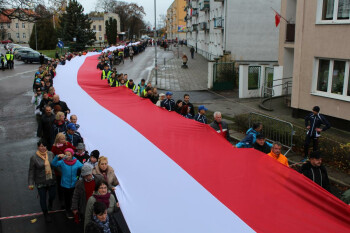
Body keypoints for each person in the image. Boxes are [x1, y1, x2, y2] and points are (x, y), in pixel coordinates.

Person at [28, 140, 56, 222]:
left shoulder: (51, 154)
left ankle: (50, 203)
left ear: (46, 147)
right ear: (38, 147)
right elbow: (31, 171)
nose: (42, 148)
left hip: (51, 179)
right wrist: (30, 183)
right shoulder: (34, 158)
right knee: (42, 199)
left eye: (44, 146)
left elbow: (55, 165)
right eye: (41, 146)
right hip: (41, 181)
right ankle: (45, 213)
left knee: (52, 195)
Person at [51, 148, 83, 219]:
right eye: (66, 155)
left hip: (74, 184)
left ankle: (75, 210)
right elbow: (53, 164)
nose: (68, 156)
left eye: (69, 155)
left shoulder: (76, 162)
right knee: (67, 199)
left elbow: (83, 168)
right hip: (65, 184)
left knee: (74, 198)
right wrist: (57, 157)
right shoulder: (62, 162)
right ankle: (68, 211)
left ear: (72, 155)